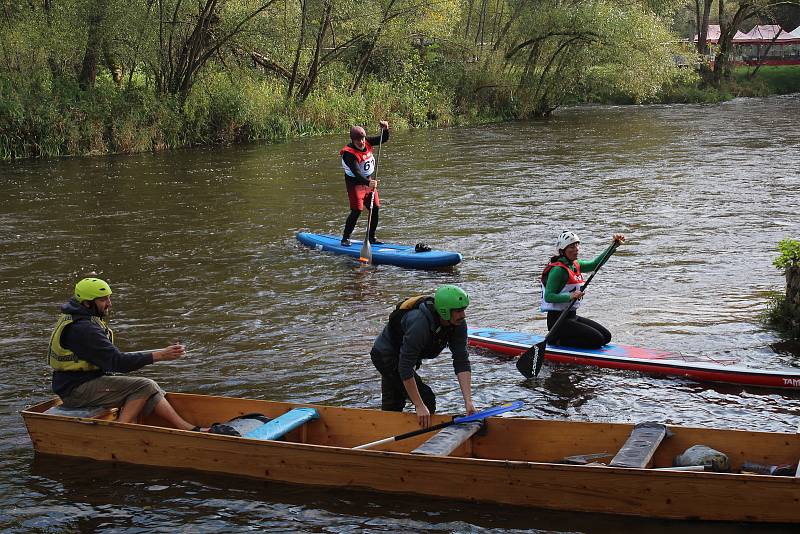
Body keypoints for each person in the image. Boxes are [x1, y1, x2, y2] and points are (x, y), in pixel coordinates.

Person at [47, 277, 204, 431]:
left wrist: (159, 352)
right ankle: (120, 432)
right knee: (144, 386)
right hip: (75, 390)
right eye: (103, 300)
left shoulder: (82, 318)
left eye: (109, 298)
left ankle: (190, 430)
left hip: (83, 382)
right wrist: (161, 356)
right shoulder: (83, 329)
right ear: (87, 303)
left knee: (152, 389)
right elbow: (118, 363)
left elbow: (113, 358)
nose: (109, 303)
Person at [370, 284, 476, 428]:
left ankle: (391, 433)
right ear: (445, 311)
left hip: (404, 358)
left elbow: (461, 360)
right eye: (458, 311)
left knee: (395, 401)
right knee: (425, 399)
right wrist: (419, 405)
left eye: (463, 310)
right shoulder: (419, 324)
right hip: (385, 356)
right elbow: (405, 367)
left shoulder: (458, 324)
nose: (463, 315)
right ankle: (419, 438)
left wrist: (468, 402)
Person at [540, 231, 625, 349]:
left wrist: (613, 246)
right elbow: (549, 296)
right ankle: (555, 340)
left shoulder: (575, 264)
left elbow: (596, 264)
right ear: (562, 250)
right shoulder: (558, 270)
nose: (576, 249)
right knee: (597, 340)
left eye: (577, 245)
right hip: (557, 322)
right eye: (572, 246)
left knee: (606, 337)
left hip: (571, 316)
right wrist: (570, 296)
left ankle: (563, 338)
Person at [340, 120, 389, 246]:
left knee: (376, 208)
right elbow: (357, 173)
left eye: (362, 139)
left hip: (368, 181)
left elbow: (383, 139)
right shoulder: (349, 154)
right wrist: (369, 183)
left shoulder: (366, 141)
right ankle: (345, 238)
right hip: (355, 184)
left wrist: (386, 129)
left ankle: (371, 237)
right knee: (357, 210)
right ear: (352, 140)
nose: (361, 142)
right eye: (358, 140)